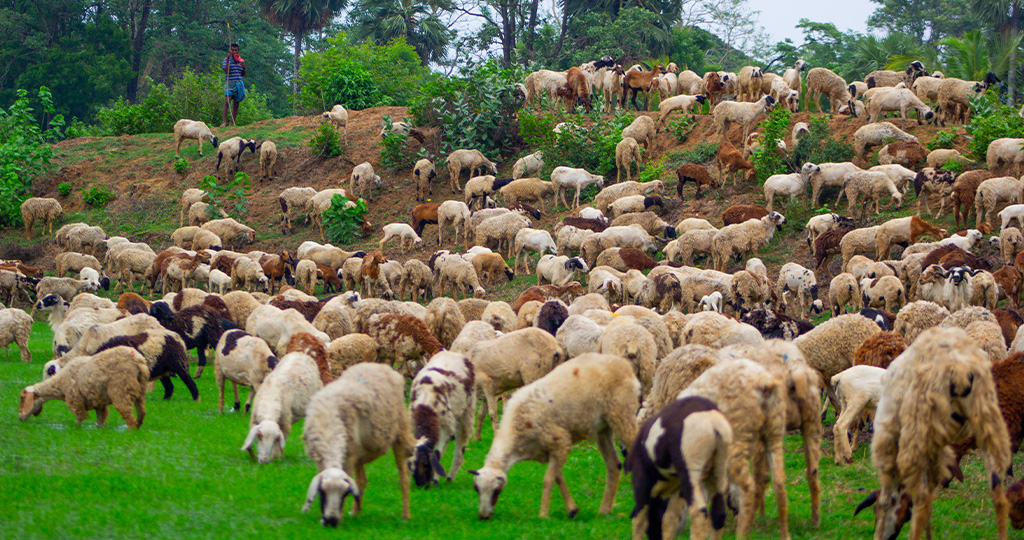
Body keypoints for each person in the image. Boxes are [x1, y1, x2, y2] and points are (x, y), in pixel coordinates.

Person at [222, 43, 247, 127]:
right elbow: (226, 70)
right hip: (230, 83)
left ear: (238, 51)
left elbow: (243, 74)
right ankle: (224, 122)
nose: (234, 51)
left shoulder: (241, 61)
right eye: (233, 50)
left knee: (236, 104)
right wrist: (229, 58)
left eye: (236, 50)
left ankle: (232, 123)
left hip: (238, 84)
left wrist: (244, 68)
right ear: (230, 51)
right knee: (227, 102)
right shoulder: (226, 60)